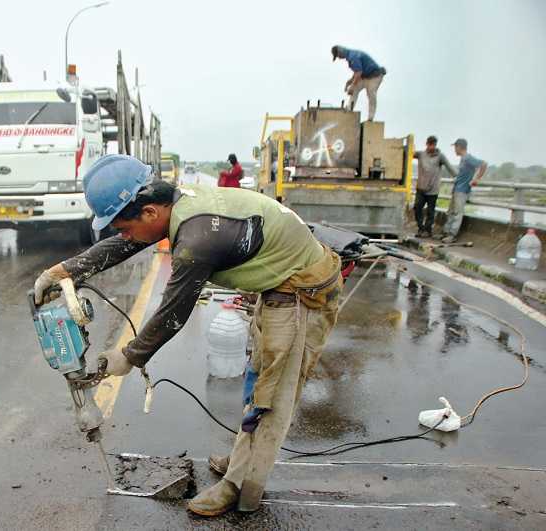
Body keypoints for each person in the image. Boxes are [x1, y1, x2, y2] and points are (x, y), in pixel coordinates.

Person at [33, 154, 343, 517]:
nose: (124, 236)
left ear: (149, 212)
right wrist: (62, 272)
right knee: (258, 379)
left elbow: (173, 314)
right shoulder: (175, 204)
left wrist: (128, 356)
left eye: (123, 227)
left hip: (301, 291)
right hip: (279, 283)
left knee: (271, 396)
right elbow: (127, 243)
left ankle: (241, 488)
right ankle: (244, 457)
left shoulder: (197, 240)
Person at [442, 138, 487, 243]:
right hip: (457, 189)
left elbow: (484, 164)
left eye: (455, 147)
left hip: (462, 190)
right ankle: (446, 232)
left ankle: (452, 235)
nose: (454, 150)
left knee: (457, 213)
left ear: (459, 147)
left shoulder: (468, 158)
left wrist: (476, 179)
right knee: (451, 212)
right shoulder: (463, 159)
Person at [413, 135, 456, 238]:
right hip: (421, 188)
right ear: (426, 144)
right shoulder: (421, 154)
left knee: (430, 211)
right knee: (417, 207)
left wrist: (458, 176)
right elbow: (409, 152)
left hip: (433, 190)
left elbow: (450, 168)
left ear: (435, 145)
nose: (431, 147)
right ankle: (421, 228)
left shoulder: (440, 156)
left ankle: (428, 230)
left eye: (433, 145)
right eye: (429, 144)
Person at [331, 45, 386, 121]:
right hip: (365, 76)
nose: (339, 58)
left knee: (371, 93)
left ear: (341, 52)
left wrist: (352, 86)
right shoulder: (350, 57)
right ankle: (349, 108)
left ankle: (371, 117)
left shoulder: (353, 57)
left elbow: (359, 73)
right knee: (355, 90)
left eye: (338, 56)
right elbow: (357, 71)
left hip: (375, 76)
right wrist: (349, 82)